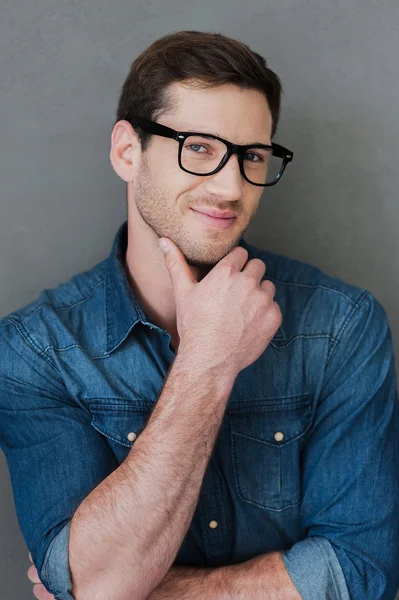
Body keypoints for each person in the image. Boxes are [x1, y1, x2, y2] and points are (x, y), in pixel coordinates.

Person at [1, 29, 398, 600]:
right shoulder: (32, 350)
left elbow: (363, 573)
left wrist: (131, 590)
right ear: (126, 151)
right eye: (200, 147)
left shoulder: (340, 326)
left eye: (253, 156)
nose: (232, 185)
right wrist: (208, 361)